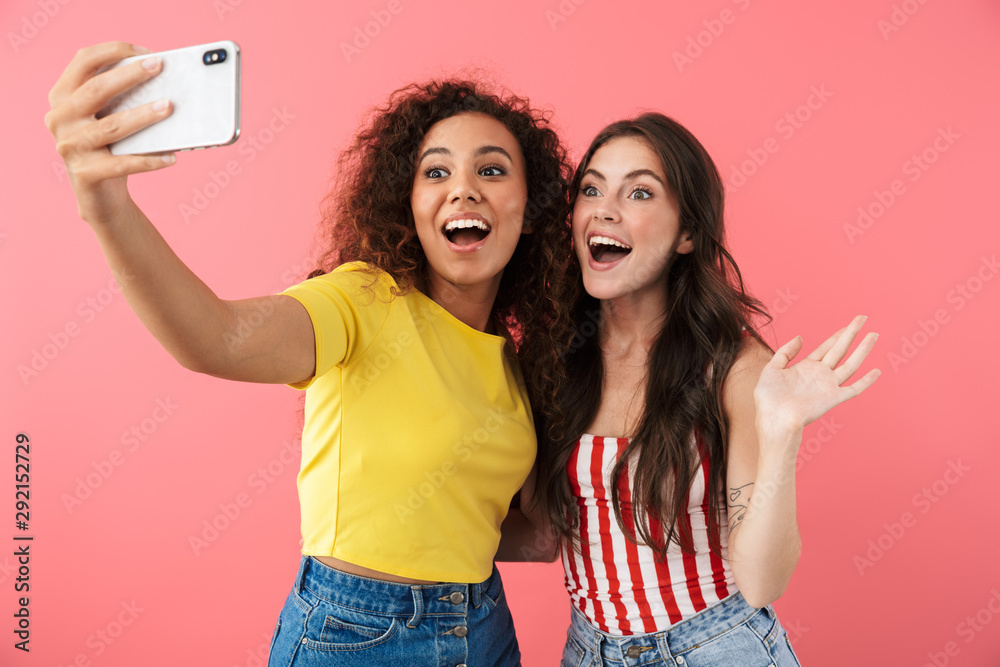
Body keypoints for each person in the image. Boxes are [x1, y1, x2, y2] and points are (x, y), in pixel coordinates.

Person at [45, 40, 576, 666]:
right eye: (435, 172)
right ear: (406, 203)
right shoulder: (362, 301)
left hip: (483, 627)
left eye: (491, 170)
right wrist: (104, 205)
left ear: (532, 211)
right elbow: (214, 338)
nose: (463, 190)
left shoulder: (519, 368)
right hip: (360, 636)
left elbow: (537, 537)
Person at [529, 113, 880, 665]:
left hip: (713, 647)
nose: (603, 208)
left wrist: (782, 434)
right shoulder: (556, 357)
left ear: (687, 234)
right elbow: (540, 538)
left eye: (639, 192)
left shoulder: (734, 368)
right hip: (587, 649)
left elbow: (763, 581)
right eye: (591, 188)